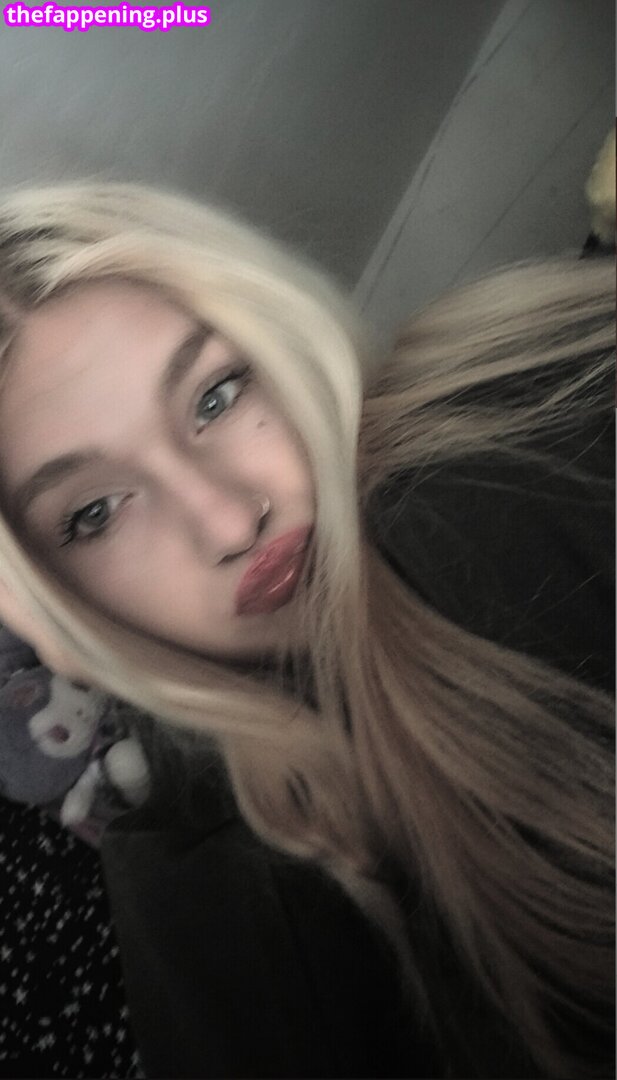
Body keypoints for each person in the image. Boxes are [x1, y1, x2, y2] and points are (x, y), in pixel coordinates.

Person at [0, 181, 613, 1080]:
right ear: (53, 601)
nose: (228, 520)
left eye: (217, 396)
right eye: (94, 513)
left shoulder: (517, 413)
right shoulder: (222, 893)